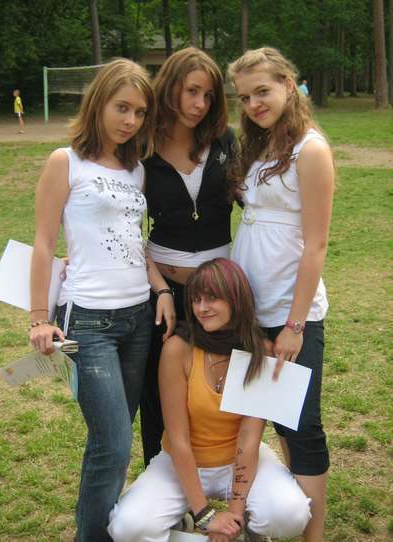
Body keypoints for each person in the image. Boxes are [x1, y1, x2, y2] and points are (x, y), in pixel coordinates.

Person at [28, 59, 176, 542]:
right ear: (98, 103)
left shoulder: (136, 170)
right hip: (87, 322)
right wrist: (38, 318)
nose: (130, 120)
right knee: (113, 444)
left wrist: (161, 289)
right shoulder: (65, 161)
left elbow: (134, 243)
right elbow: (44, 243)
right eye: (121, 107)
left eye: (139, 112)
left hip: (137, 319)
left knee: (115, 439)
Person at [108, 258, 312, 542]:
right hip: (182, 463)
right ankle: (187, 524)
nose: (202, 308)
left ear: (236, 299)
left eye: (212, 298)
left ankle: (248, 529)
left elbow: (248, 439)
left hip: (238, 461)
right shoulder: (178, 349)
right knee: (127, 528)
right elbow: (178, 439)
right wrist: (205, 515)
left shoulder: (259, 351)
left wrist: (234, 516)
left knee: (290, 515)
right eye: (196, 300)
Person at [228, 47, 334, 542]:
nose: (254, 104)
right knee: (261, 419)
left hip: (290, 314)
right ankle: (276, 514)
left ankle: (313, 536)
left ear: (289, 86)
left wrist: (295, 325)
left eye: (263, 91)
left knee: (300, 426)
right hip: (250, 309)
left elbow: (316, 245)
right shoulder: (259, 146)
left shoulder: (310, 149)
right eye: (245, 97)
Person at [140, 47, 238, 465]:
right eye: (192, 91)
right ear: (170, 88)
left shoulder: (224, 140)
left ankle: (230, 478)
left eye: (209, 95)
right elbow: (124, 229)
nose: (200, 104)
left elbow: (256, 201)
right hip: (162, 293)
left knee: (222, 387)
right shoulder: (142, 145)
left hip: (220, 293)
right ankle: (160, 477)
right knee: (157, 392)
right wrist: (160, 289)